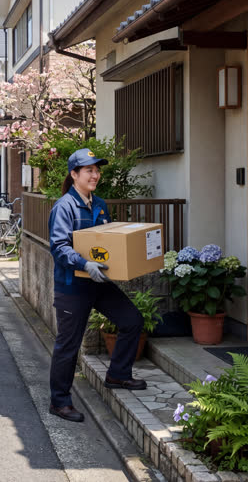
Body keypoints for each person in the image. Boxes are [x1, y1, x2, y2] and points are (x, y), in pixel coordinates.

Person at [48, 148, 146, 423]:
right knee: (68, 346)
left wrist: (122, 264)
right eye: (89, 170)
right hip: (72, 287)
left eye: (97, 169)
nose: (95, 174)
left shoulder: (100, 204)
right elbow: (58, 247)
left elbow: (106, 241)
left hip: (99, 283)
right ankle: (59, 402)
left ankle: (118, 375)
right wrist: (84, 264)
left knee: (131, 320)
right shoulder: (64, 207)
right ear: (74, 174)